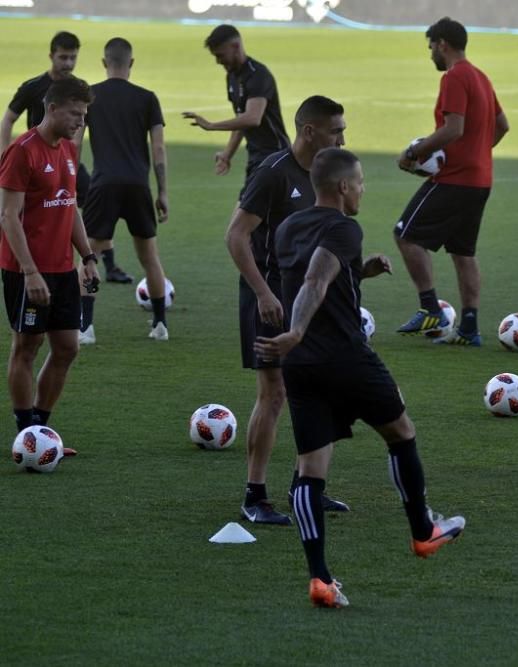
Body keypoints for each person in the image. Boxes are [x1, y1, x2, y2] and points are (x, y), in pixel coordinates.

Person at [254, 147, 465, 608]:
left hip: (302, 365)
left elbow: (312, 281)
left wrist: (357, 272)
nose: (363, 189)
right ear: (344, 187)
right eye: (362, 182)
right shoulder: (344, 226)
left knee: (311, 468)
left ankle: (321, 579)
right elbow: (313, 281)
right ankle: (422, 530)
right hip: (345, 357)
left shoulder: (289, 227)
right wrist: (295, 329)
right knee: (401, 434)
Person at [225, 95, 350, 525]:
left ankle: (307, 487)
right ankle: (254, 495)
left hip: (305, 300)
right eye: (336, 130)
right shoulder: (274, 174)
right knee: (274, 394)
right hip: (269, 299)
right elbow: (236, 236)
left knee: (314, 390)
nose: (343, 138)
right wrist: (262, 293)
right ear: (309, 131)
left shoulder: (324, 176)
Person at [394, 17, 509, 346]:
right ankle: (469, 329)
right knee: (462, 251)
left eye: (430, 46)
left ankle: (430, 308)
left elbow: (453, 129)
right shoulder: (481, 77)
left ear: (442, 43)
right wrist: (477, 154)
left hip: (456, 179)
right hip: (480, 179)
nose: (430, 53)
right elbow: (502, 126)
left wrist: (415, 152)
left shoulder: (455, 77)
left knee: (405, 235)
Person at [1, 77, 99, 444]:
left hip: (62, 268)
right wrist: (30, 272)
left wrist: (87, 256)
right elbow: (8, 217)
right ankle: (27, 433)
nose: (80, 121)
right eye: (75, 114)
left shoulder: (70, 150)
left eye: (84, 115)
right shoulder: (22, 151)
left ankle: (40, 427)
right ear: (52, 108)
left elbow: (69, 205)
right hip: (27, 270)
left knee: (67, 347)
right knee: (27, 347)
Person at [1, 30, 132, 284]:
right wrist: (4, 154)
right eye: (63, 57)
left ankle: (105, 262)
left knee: (88, 205)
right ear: (52, 56)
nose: (68, 64)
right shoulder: (33, 87)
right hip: (33, 161)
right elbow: (8, 119)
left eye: (73, 58)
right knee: (20, 210)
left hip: (64, 158)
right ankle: (22, 264)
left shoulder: (77, 89)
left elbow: (80, 132)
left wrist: (72, 154)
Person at [78, 37, 170, 345]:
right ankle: (160, 326)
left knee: (89, 257)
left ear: (105, 63)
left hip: (102, 185)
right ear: (131, 63)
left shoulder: (89, 96)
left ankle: (86, 327)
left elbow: (74, 144)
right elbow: (158, 150)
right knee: (150, 258)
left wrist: (68, 183)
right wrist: (163, 192)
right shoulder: (147, 98)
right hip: (138, 185)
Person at [182, 24, 289, 199]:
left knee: (243, 216)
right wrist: (227, 155)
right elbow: (241, 122)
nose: (218, 61)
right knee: (262, 218)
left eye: (220, 55)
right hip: (256, 155)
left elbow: (253, 118)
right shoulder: (232, 77)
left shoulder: (258, 75)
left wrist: (211, 125)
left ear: (236, 46)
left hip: (274, 156)